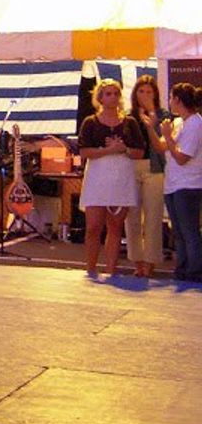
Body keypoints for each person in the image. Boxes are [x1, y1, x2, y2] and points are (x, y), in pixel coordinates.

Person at [78, 79, 142, 277]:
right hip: (98, 175)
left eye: (116, 93)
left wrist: (124, 149)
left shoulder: (130, 123)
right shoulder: (90, 122)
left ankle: (111, 270)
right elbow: (84, 151)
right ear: (100, 97)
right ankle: (91, 269)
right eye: (108, 94)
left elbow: (139, 151)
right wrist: (107, 150)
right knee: (93, 226)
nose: (112, 97)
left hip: (121, 176)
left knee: (115, 226)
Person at [128, 75, 169, 277]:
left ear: (155, 95)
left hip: (154, 169)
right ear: (135, 94)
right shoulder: (128, 116)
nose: (144, 95)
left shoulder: (163, 116)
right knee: (132, 217)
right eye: (141, 91)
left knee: (153, 217)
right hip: (132, 167)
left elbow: (162, 147)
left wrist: (151, 123)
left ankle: (151, 262)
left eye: (149, 92)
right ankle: (137, 261)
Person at [161, 83, 202, 282]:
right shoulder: (179, 122)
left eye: (171, 98)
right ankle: (183, 267)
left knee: (189, 230)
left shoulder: (195, 123)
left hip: (189, 184)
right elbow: (163, 147)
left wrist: (168, 136)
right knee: (178, 231)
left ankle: (195, 270)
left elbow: (182, 157)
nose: (169, 102)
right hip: (174, 183)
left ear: (177, 99)